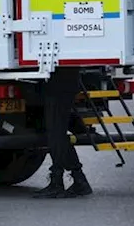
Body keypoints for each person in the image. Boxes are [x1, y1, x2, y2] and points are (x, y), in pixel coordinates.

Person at [33, 67, 94, 199]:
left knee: (56, 134)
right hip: (64, 83)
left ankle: (59, 181)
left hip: (58, 86)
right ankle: (78, 179)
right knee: (57, 133)